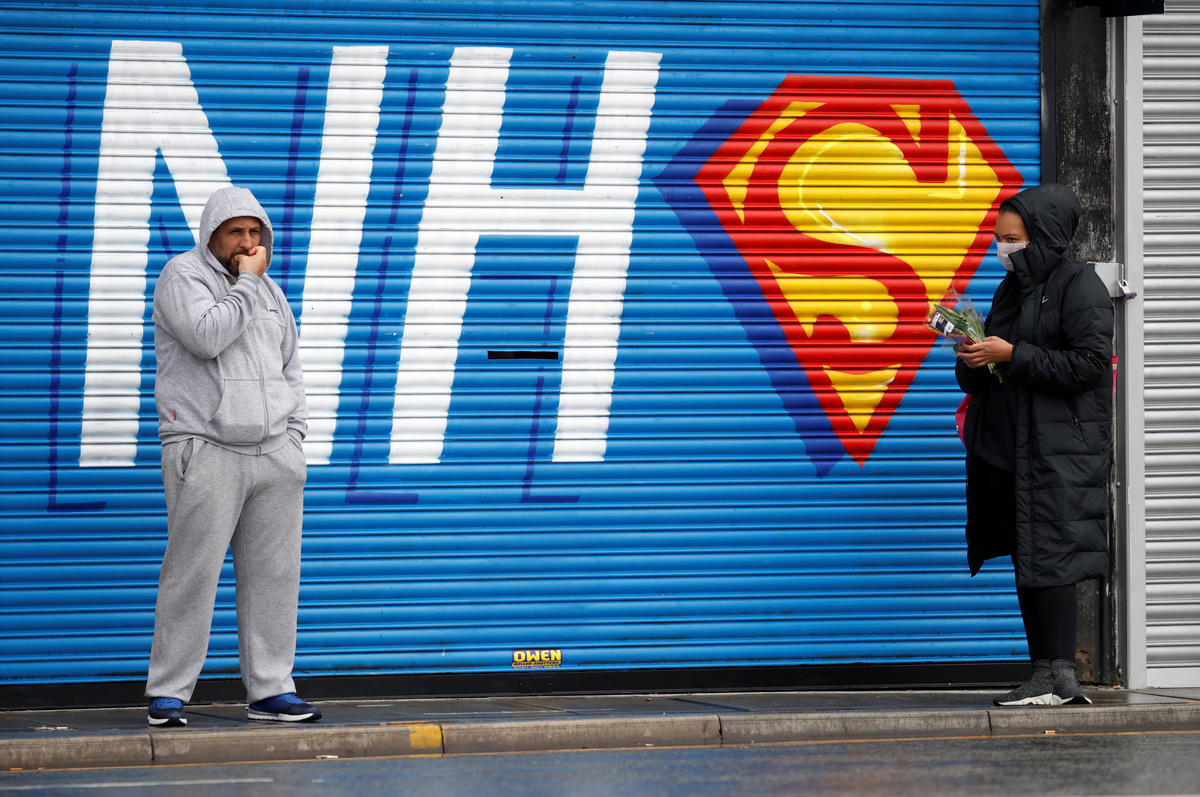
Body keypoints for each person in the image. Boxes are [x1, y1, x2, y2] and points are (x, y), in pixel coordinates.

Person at [144, 186, 321, 726]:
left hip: (275, 453)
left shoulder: (270, 293)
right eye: (235, 232)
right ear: (211, 236)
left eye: (254, 232)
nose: (247, 242)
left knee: (275, 576)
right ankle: (168, 692)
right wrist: (247, 283)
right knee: (192, 573)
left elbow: (290, 365)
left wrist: (295, 434)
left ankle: (271, 690)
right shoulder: (183, 276)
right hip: (207, 447)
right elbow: (206, 336)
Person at [956, 183, 1113, 707]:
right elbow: (989, 370)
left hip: (1054, 451)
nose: (1002, 247)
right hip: (1005, 450)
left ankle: (1062, 676)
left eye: (1012, 238)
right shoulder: (1009, 289)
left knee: (1053, 557)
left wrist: (1012, 354)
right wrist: (973, 356)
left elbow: (1089, 365)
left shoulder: (1078, 285)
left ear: (1042, 236)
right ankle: (1043, 674)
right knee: (1028, 558)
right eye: (999, 238)